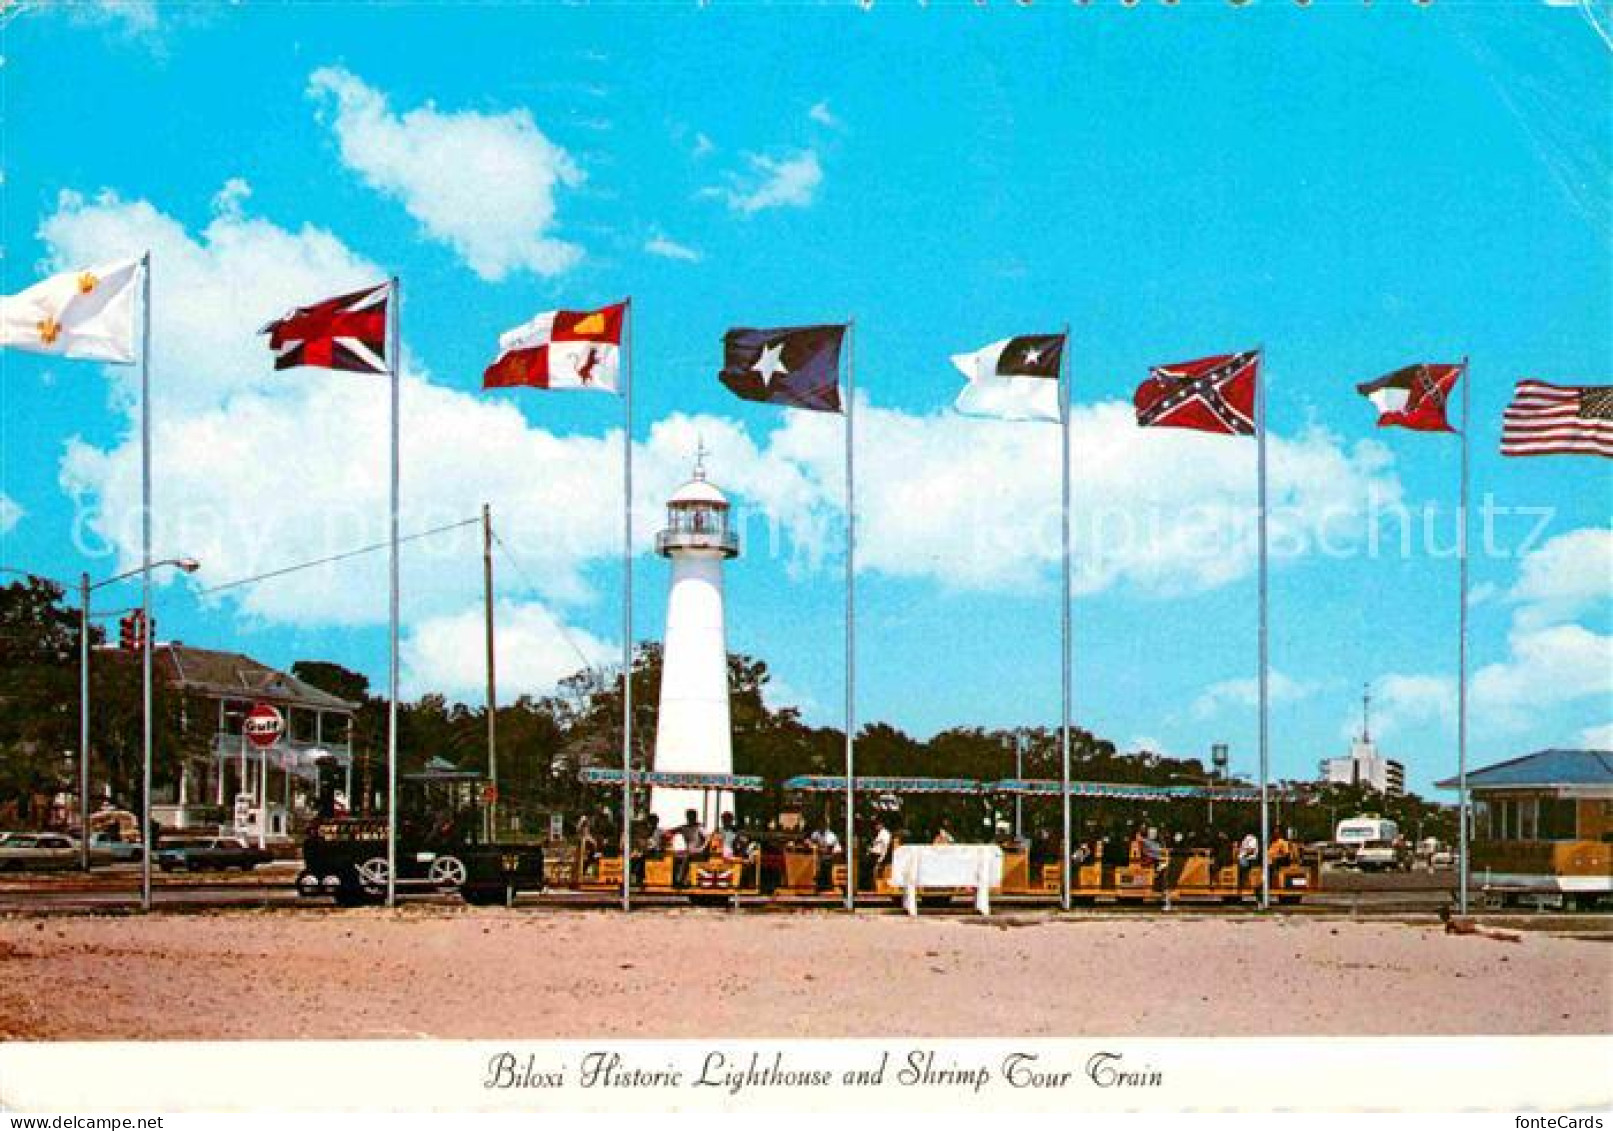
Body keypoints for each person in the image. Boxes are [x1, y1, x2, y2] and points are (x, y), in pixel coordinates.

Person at [671, 809, 703, 888]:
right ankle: (674, 880)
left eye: (692, 816)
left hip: (698, 852)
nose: (691, 818)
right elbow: (671, 831)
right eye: (689, 816)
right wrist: (667, 836)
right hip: (688, 851)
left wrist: (702, 848)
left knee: (686, 857)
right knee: (674, 856)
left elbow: (709, 837)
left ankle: (681, 881)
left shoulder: (700, 827)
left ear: (696, 816)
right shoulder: (684, 827)